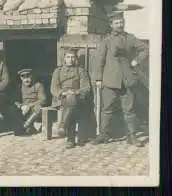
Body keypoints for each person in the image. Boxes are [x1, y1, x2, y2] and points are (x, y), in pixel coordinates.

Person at [91, 11, 148, 147]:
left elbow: (145, 48)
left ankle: (132, 136)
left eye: (121, 22)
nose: (119, 25)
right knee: (107, 109)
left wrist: (136, 60)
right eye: (116, 23)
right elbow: (99, 60)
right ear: (111, 25)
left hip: (127, 80)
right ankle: (103, 135)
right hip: (110, 80)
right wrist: (98, 78)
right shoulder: (106, 40)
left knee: (129, 109)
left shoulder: (130, 38)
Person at [50, 48, 93, 148]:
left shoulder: (81, 70)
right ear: (64, 59)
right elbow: (54, 88)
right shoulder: (58, 71)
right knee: (70, 102)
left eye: (73, 57)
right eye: (68, 57)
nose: (70, 59)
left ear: (76, 58)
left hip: (78, 98)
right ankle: (73, 138)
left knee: (72, 101)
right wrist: (63, 93)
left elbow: (86, 87)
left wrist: (75, 92)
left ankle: (67, 133)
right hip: (62, 98)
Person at [15, 69, 47, 134]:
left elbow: (43, 100)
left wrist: (29, 106)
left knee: (39, 107)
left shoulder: (38, 85)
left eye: (28, 77)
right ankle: (29, 127)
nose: (26, 80)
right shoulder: (19, 86)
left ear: (32, 76)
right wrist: (20, 106)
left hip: (34, 109)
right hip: (23, 109)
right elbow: (15, 100)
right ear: (21, 78)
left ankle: (25, 125)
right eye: (24, 77)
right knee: (12, 109)